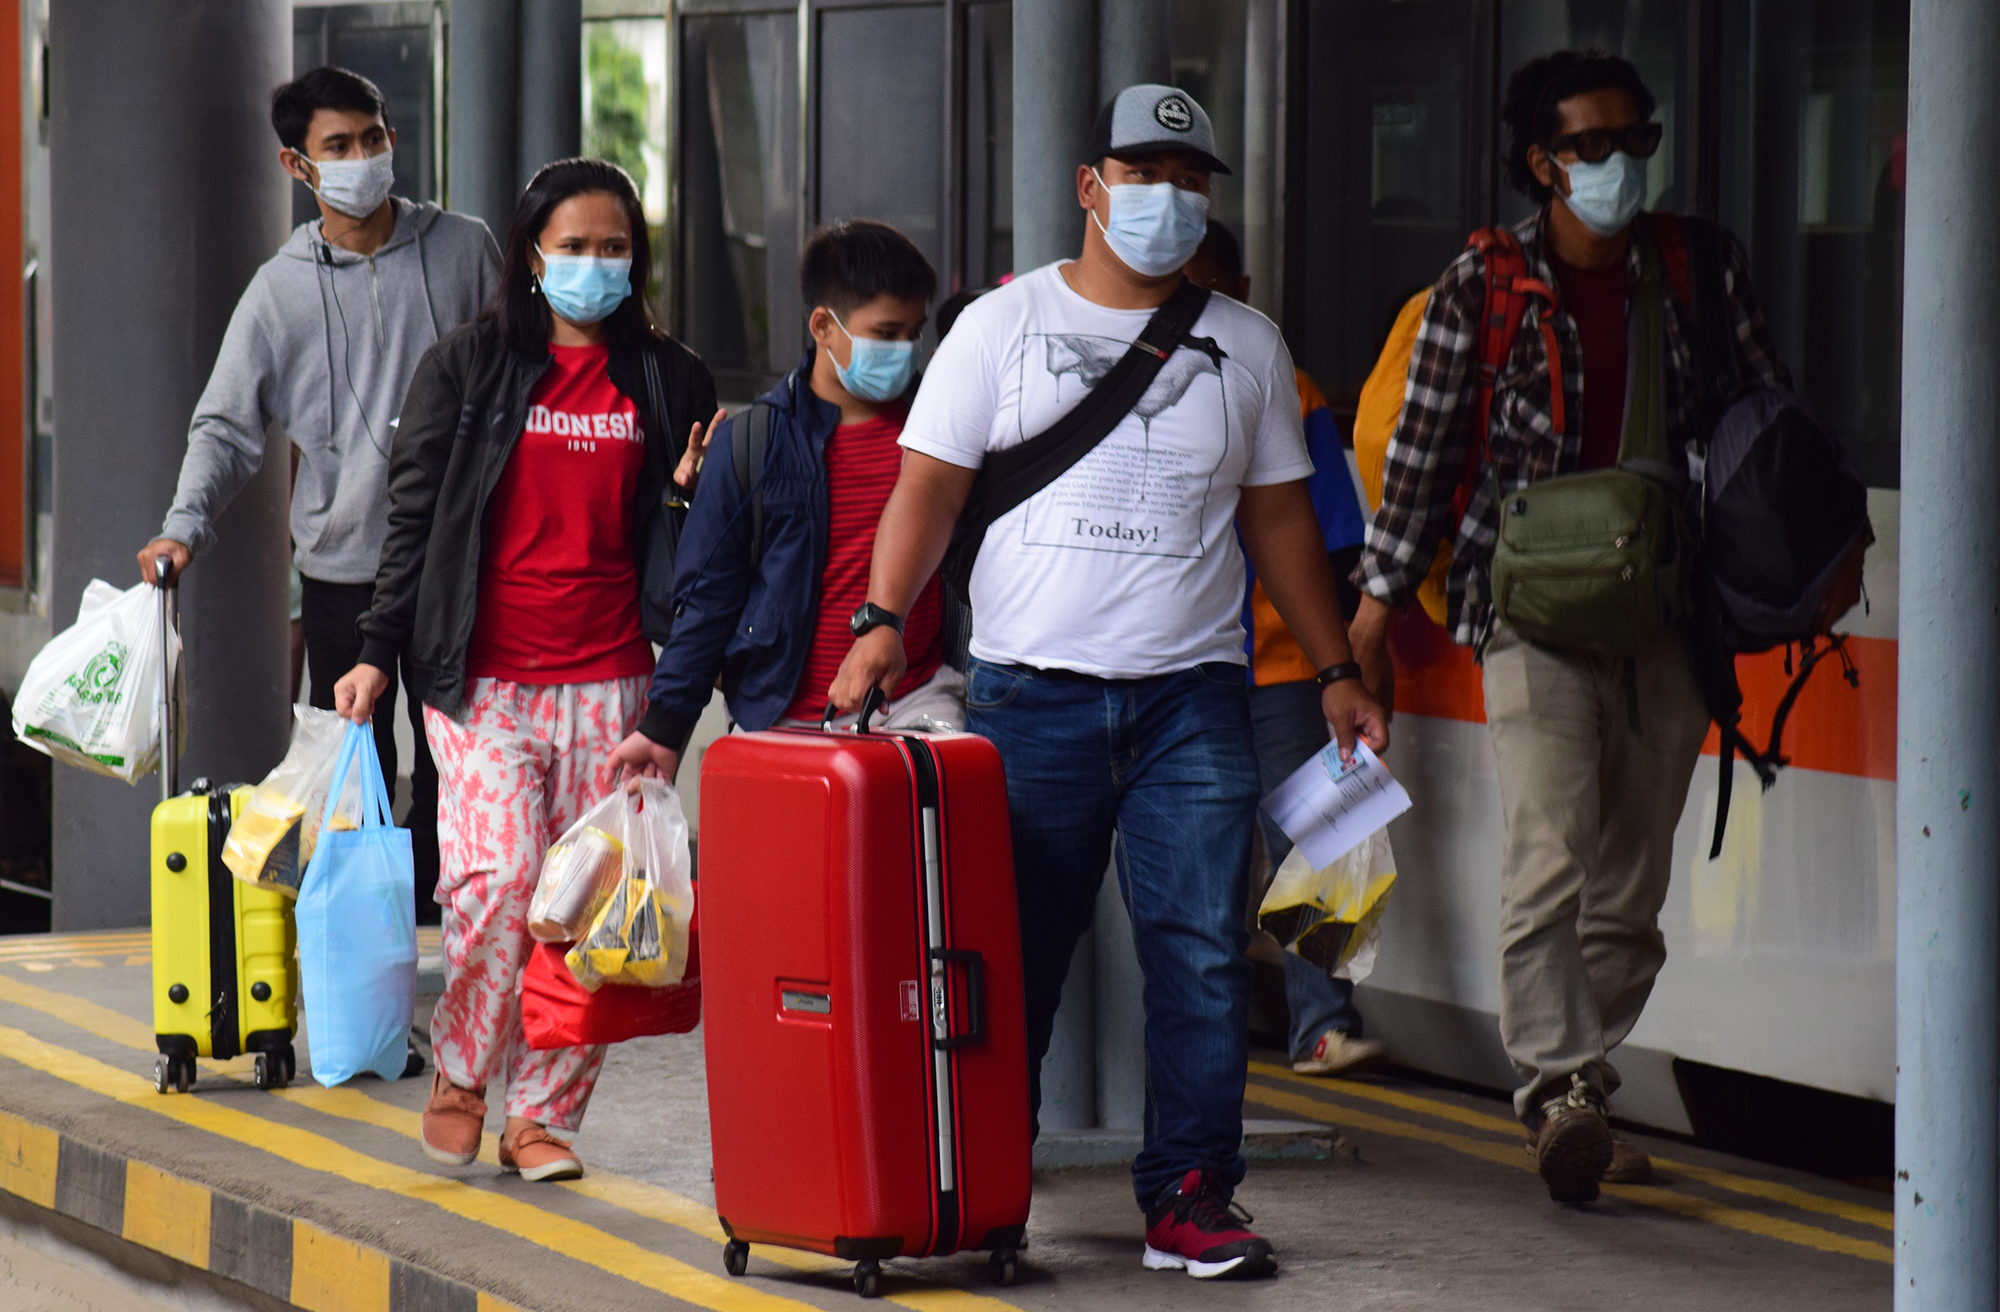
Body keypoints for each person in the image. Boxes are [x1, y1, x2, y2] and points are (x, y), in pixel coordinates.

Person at [828, 85, 1388, 1279]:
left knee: (1196, 953)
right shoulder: (998, 326)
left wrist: (1334, 664)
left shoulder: (1247, 346)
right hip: (1031, 695)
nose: (1168, 201)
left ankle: (1191, 1195)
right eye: (1142, 175)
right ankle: (983, 1186)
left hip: (1193, 700)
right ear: (1089, 187)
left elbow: (1279, 520)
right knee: (1014, 956)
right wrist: (881, 621)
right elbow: (924, 487)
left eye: (1189, 181)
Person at [1347, 51, 1788, 1203]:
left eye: (1633, 142)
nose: (1617, 166)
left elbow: (1758, 422)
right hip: (1527, 617)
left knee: (1629, 890)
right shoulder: (1479, 286)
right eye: (1590, 147)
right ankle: (1555, 1094)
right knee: (1546, 858)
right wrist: (1373, 610)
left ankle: (1579, 1081)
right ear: (1540, 162)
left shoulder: (1698, 269)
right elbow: (1420, 460)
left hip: (1668, 617)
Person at [332, 158, 720, 1183]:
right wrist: (376, 651)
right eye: (574, 247)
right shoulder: (467, 366)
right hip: (482, 676)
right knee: (499, 884)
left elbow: (688, 533)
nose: (596, 266)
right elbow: (412, 519)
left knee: (592, 907)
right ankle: (463, 1069)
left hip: (613, 678)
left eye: (614, 248)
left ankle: (541, 1118)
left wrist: (685, 504)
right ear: (531, 255)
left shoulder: (669, 376)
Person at [136, 66, 500, 924]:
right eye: (339, 146)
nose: (363, 158)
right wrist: (182, 527)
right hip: (345, 576)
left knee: (464, 767)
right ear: (297, 167)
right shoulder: (278, 293)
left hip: (463, 568)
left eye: (373, 138)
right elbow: (225, 426)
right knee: (354, 774)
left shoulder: (463, 250)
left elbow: (526, 374)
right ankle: (371, 948)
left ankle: (461, 941)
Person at [612, 220, 956, 782]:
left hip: (915, 708)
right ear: (824, 325)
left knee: (920, 869)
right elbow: (707, 601)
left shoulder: (939, 432)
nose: (904, 352)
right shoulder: (754, 443)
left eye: (913, 334)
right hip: (783, 720)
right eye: (886, 333)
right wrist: (663, 728)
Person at [1183, 221, 1389, 1079]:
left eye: (1211, 286)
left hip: (1279, 660)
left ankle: (1322, 1026)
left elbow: (1336, 542)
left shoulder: (1287, 387)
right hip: (1183, 662)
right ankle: (1207, 1033)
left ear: (1245, 285)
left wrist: (1346, 666)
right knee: (1199, 851)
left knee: (1327, 832)